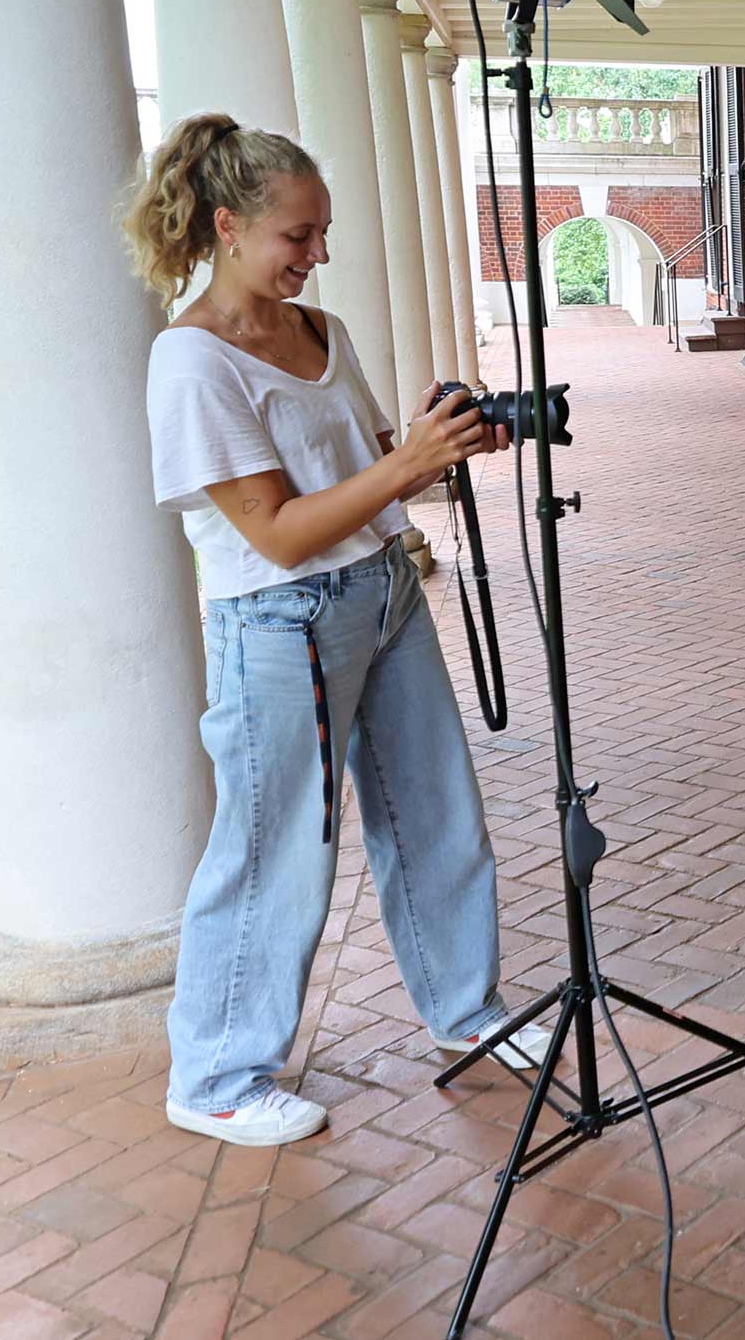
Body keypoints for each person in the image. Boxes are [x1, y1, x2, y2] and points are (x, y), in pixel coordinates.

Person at [126, 113, 544, 1145]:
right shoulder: (193, 362)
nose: (319, 255)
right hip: (280, 621)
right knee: (276, 849)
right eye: (298, 237)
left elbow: (360, 469)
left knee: (436, 812)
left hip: (382, 593)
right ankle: (218, 1074)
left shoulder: (322, 332)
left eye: (322, 235)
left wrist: (434, 441)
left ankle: (467, 1012)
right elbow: (272, 531)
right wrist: (404, 468)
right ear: (227, 226)